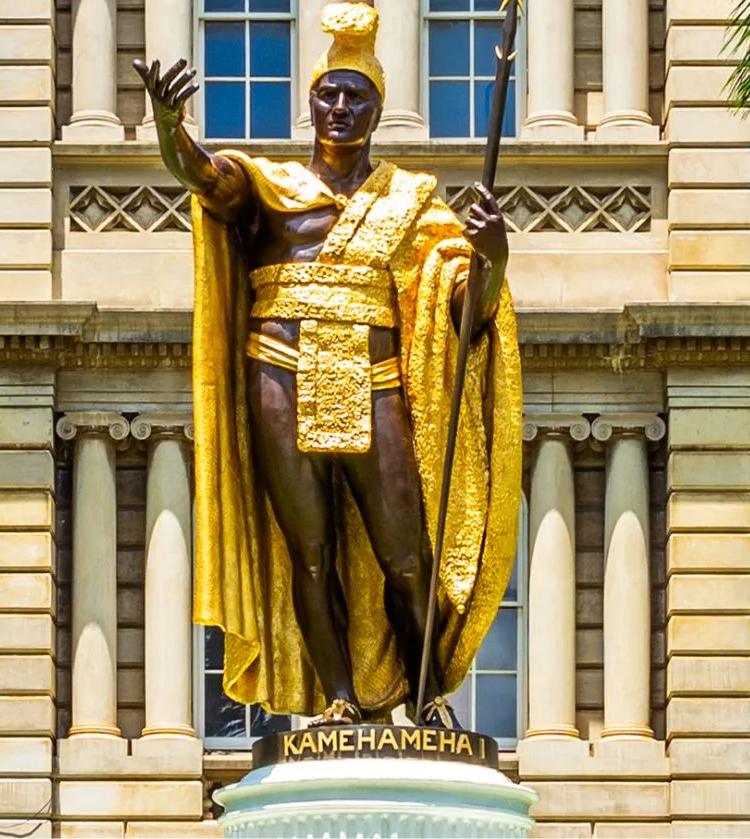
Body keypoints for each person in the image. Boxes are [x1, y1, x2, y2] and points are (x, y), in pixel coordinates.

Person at [136, 0, 524, 728]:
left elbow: (465, 313)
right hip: (278, 372)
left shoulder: (410, 202)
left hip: (374, 381)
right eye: (329, 95)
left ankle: (425, 696)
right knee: (308, 553)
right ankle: (339, 697)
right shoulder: (269, 190)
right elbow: (200, 174)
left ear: (377, 112)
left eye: (357, 98)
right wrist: (168, 127)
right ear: (310, 103)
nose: (340, 108)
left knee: (405, 556)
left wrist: (493, 258)